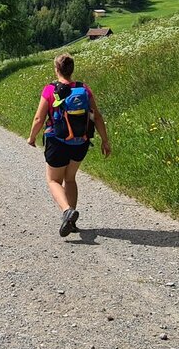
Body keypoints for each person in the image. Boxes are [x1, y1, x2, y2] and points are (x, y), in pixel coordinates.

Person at [27, 53, 111, 237]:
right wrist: (105, 141)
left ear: (56, 69)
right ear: (71, 70)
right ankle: (71, 222)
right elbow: (96, 116)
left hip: (57, 142)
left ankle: (67, 211)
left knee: (53, 180)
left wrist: (32, 137)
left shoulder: (50, 90)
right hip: (80, 142)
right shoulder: (84, 89)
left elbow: (39, 118)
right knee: (70, 178)